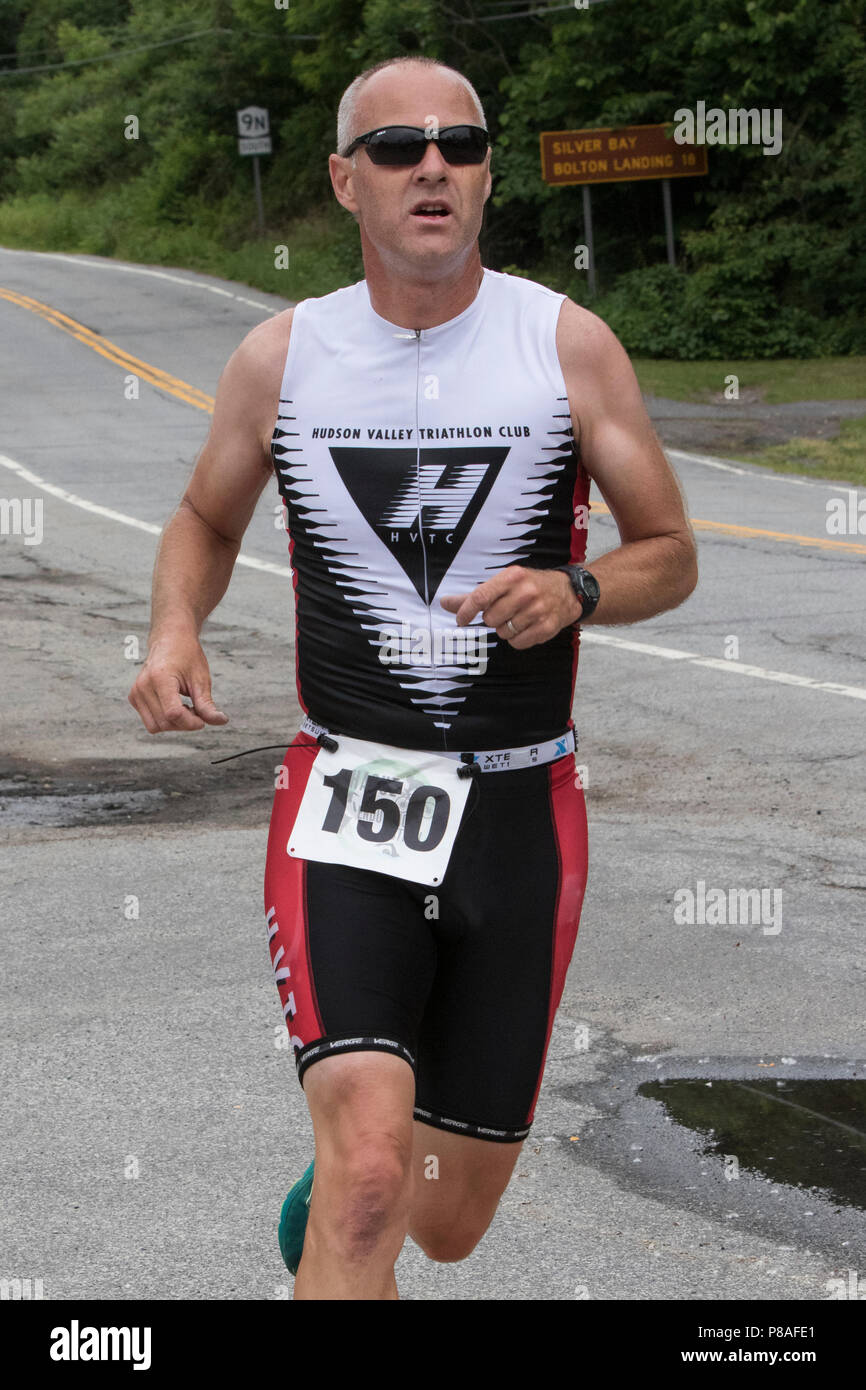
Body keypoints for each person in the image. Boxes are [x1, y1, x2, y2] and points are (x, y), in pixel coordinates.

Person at [129, 54, 698, 1300]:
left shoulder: (566, 346)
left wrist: (580, 588)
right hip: (349, 796)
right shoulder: (285, 356)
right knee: (375, 1178)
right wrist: (172, 630)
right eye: (397, 148)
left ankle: (339, 1197)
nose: (430, 165)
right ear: (345, 181)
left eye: (459, 143)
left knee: (442, 1221)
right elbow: (202, 518)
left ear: (487, 175)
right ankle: (350, 1185)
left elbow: (669, 553)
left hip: (517, 807)